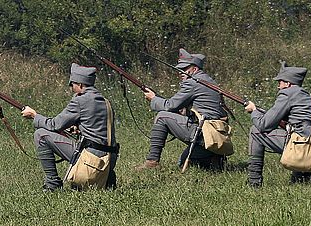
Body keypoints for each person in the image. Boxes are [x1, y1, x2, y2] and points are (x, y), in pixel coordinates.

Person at [21, 63, 118, 192]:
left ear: (81, 85)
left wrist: (34, 115)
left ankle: (52, 184)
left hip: (91, 161)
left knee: (41, 135)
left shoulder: (80, 101)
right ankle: (107, 180)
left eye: (72, 84)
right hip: (109, 161)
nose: (71, 88)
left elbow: (54, 125)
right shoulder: (106, 101)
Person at [244, 61, 311, 187]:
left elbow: (263, 125)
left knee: (255, 131)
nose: (278, 86)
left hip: (306, 144)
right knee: (299, 180)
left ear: (287, 83)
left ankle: (254, 182)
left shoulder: (287, 93)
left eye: (280, 82)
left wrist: (254, 111)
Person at [137, 48, 229, 171]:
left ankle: (152, 162)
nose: (181, 72)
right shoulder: (208, 80)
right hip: (213, 134)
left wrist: (153, 98)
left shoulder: (193, 83)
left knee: (162, 117)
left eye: (185, 69)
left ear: (194, 69)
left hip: (204, 134)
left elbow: (170, 106)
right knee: (183, 162)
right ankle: (212, 157)